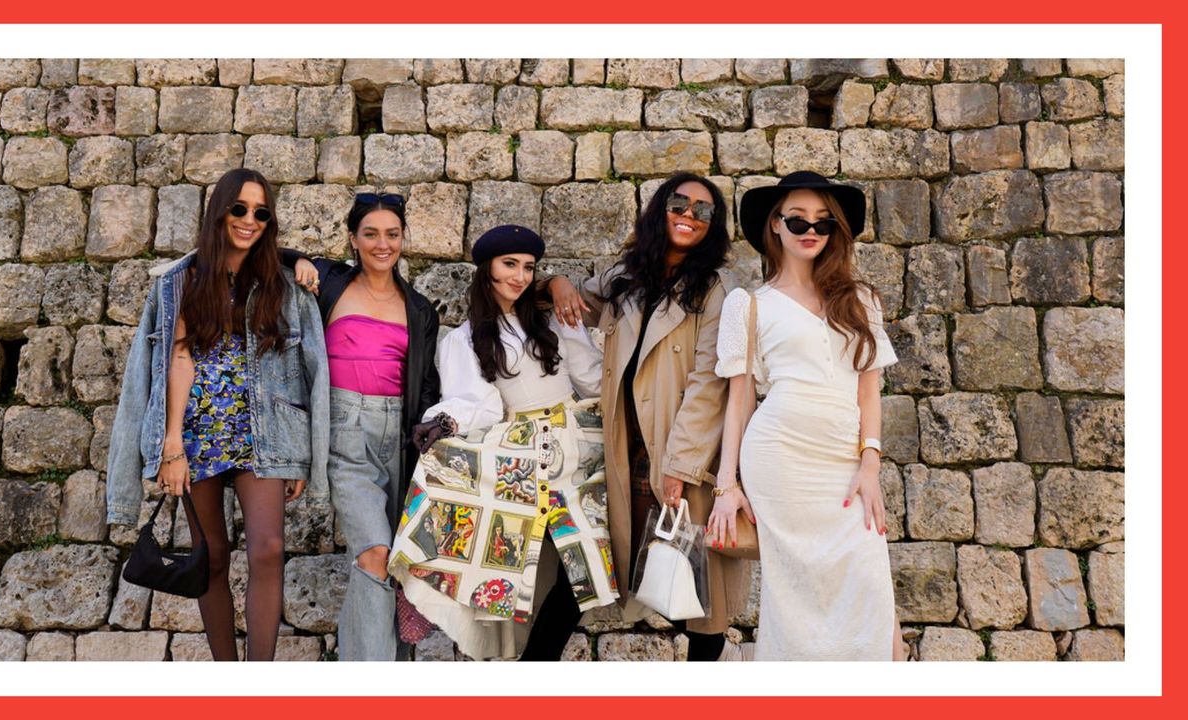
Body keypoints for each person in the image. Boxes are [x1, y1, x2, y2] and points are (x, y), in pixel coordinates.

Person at [106, 168, 329, 661]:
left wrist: (297, 454)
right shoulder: (184, 281)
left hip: (262, 435)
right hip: (197, 433)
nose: (250, 220)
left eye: (262, 212)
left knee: (268, 549)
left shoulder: (282, 283)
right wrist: (171, 446)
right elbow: (178, 359)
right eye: (240, 209)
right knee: (213, 557)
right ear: (220, 211)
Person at [387, 225, 618, 660]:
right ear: (486, 268)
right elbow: (478, 404)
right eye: (509, 264)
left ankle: (535, 665)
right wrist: (445, 420)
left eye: (529, 267)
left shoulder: (551, 321)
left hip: (578, 453)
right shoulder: (464, 339)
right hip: (522, 459)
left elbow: (591, 379)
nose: (519, 276)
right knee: (519, 571)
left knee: (587, 569)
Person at [546, 173, 749, 661]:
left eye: (704, 210)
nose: (689, 215)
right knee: (584, 578)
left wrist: (678, 465)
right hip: (620, 452)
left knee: (699, 601)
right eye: (680, 203)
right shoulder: (625, 279)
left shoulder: (713, 291)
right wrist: (554, 284)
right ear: (661, 208)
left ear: (713, 226)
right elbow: (570, 304)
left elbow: (709, 382)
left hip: (678, 455)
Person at [710, 170, 906, 660]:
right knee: (795, 594)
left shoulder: (861, 300)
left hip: (845, 462)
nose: (810, 231)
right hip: (781, 457)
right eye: (797, 220)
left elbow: (869, 391)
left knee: (868, 583)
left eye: (823, 222)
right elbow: (739, 401)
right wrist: (726, 484)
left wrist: (870, 465)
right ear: (775, 226)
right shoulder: (749, 305)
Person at [282, 192, 441, 661]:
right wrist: (299, 259)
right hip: (344, 431)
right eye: (370, 234)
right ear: (353, 239)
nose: (382, 243)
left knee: (393, 563)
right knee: (374, 551)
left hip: (399, 438)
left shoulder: (419, 308)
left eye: (392, 234)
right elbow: (262, 254)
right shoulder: (329, 281)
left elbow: (425, 383)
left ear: (403, 239)